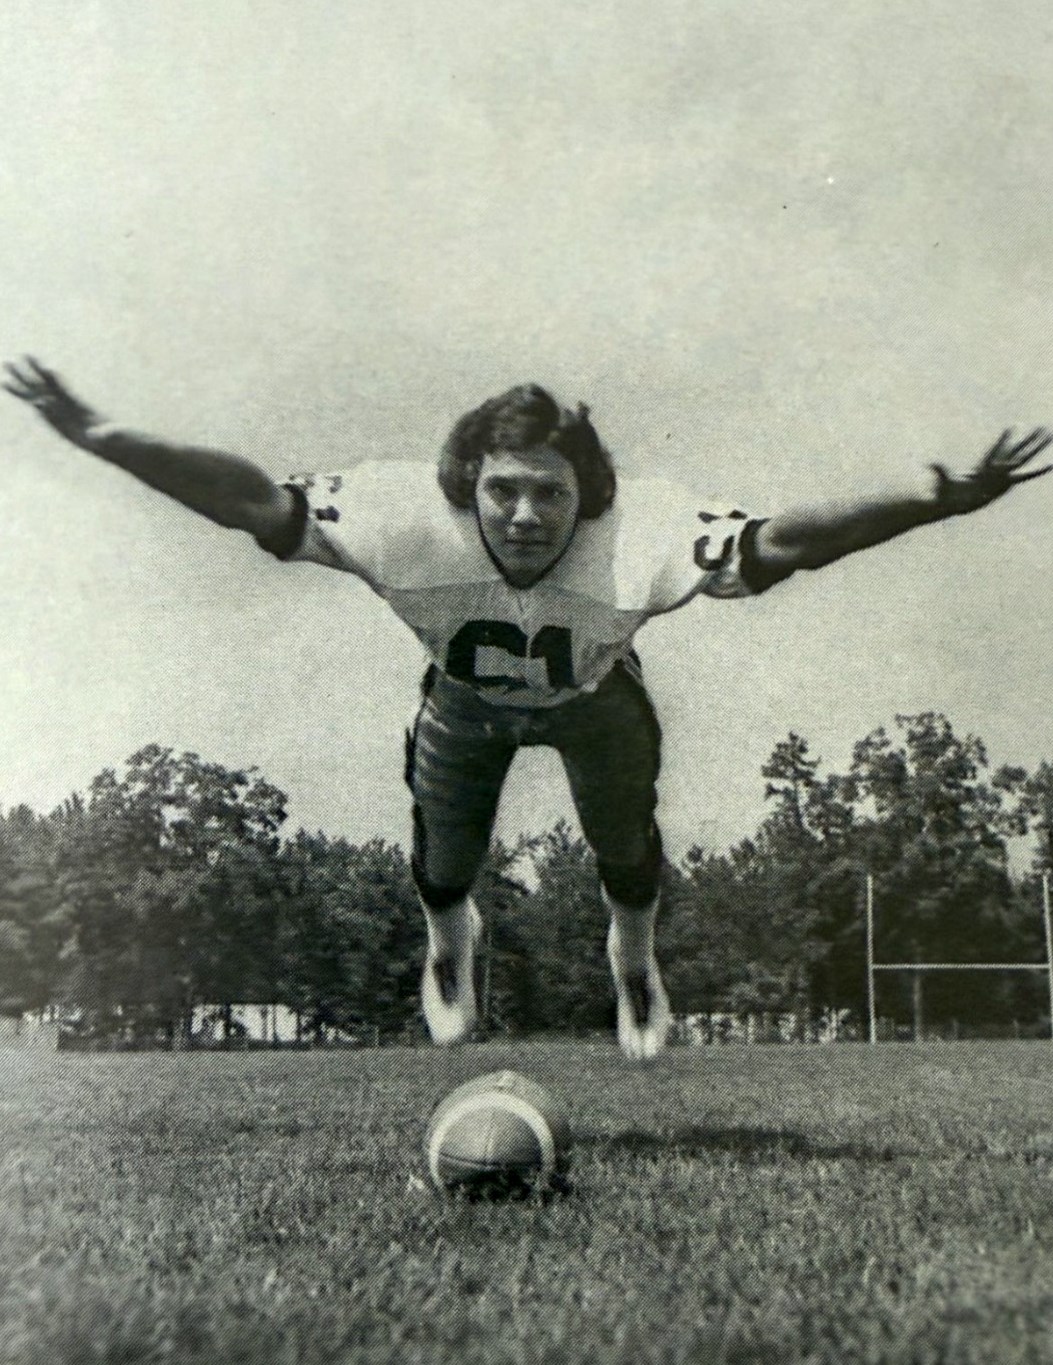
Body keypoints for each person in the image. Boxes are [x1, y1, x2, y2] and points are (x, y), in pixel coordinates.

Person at [5, 356, 1050, 1060]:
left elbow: (785, 542)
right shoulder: (401, 515)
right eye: (504, 487)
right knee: (445, 847)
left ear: (584, 497)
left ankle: (631, 961)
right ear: (467, 489)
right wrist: (107, 437)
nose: (524, 512)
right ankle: (447, 937)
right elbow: (249, 502)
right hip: (465, 697)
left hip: (595, 695)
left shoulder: (638, 531)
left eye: (550, 492)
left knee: (623, 836)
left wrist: (929, 499)